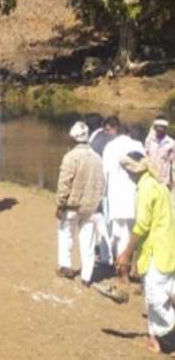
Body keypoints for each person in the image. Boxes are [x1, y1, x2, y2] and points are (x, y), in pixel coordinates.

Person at [115, 152, 175, 354]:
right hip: (166, 248)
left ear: (133, 170)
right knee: (153, 295)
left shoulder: (147, 187)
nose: (126, 174)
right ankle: (153, 339)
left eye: (127, 170)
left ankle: (171, 337)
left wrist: (126, 253)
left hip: (158, 251)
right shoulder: (157, 184)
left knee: (156, 298)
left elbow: (141, 225)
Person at [55, 122, 105, 286]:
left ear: (73, 139)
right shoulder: (97, 158)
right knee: (88, 241)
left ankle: (65, 266)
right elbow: (102, 184)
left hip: (72, 206)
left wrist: (60, 204)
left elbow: (64, 183)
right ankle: (86, 276)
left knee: (66, 234)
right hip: (90, 207)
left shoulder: (71, 157)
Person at [102, 126, 144, 265]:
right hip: (136, 193)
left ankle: (120, 263)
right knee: (135, 230)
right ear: (129, 133)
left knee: (120, 232)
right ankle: (130, 263)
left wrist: (103, 193)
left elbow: (104, 171)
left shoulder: (110, 146)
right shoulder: (137, 145)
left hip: (115, 195)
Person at [144, 116, 175, 190]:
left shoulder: (171, 143)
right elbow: (145, 158)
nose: (160, 129)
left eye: (162, 127)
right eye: (158, 126)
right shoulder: (149, 141)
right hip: (150, 180)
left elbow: (173, 163)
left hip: (164, 182)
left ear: (166, 128)